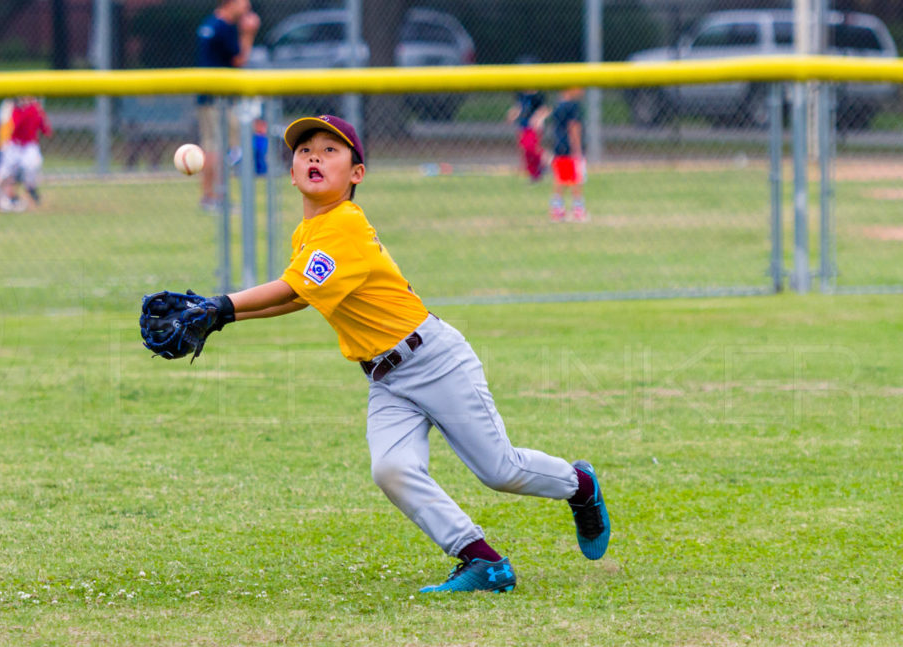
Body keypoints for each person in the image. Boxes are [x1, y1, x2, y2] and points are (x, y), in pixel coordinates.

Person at [182, 115, 611, 593]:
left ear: (357, 174)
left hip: (434, 360)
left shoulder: (345, 224)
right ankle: (482, 560)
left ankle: (581, 485)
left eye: (330, 150)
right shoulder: (310, 234)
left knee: (500, 470)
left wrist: (220, 305)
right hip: (386, 378)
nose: (315, 157)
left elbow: (289, 287)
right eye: (305, 151)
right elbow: (300, 296)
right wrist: (222, 317)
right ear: (292, 172)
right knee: (391, 469)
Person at [195, 0, 260, 211]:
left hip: (208, 96)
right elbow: (240, 60)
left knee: (214, 146)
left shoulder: (210, 23)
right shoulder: (224, 27)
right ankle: (215, 197)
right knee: (217, 147)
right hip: (218, 99)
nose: (247, 6)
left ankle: (211, 196)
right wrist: (249, 33)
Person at [0, 96, 52, 213]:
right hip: (13, 145)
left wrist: (42, 122)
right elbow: (10, 127)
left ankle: (30, 187)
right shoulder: (10, 106)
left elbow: (45, 128)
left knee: (32, 166)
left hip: (29, 145)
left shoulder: (35, 108)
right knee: (2, 173)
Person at [535, 88, 588, 222]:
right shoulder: (573, 106)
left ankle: (557, 210)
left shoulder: (558, 104)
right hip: (570, 148)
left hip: (559, 146)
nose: (582, 90)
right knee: (576, 179)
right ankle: (578, 210)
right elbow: (573, 127)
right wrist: (577, 149)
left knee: (560, 179)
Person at [505, 89, 548, 182]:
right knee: (525, 150)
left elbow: (544, 110)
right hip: (523, 126)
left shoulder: (538, 96)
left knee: (531, 147)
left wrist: (538, 118)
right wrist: (512, 115)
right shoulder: (521, 95)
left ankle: (544, 158)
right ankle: (534, 174)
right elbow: (518, 107)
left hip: (534, 127)